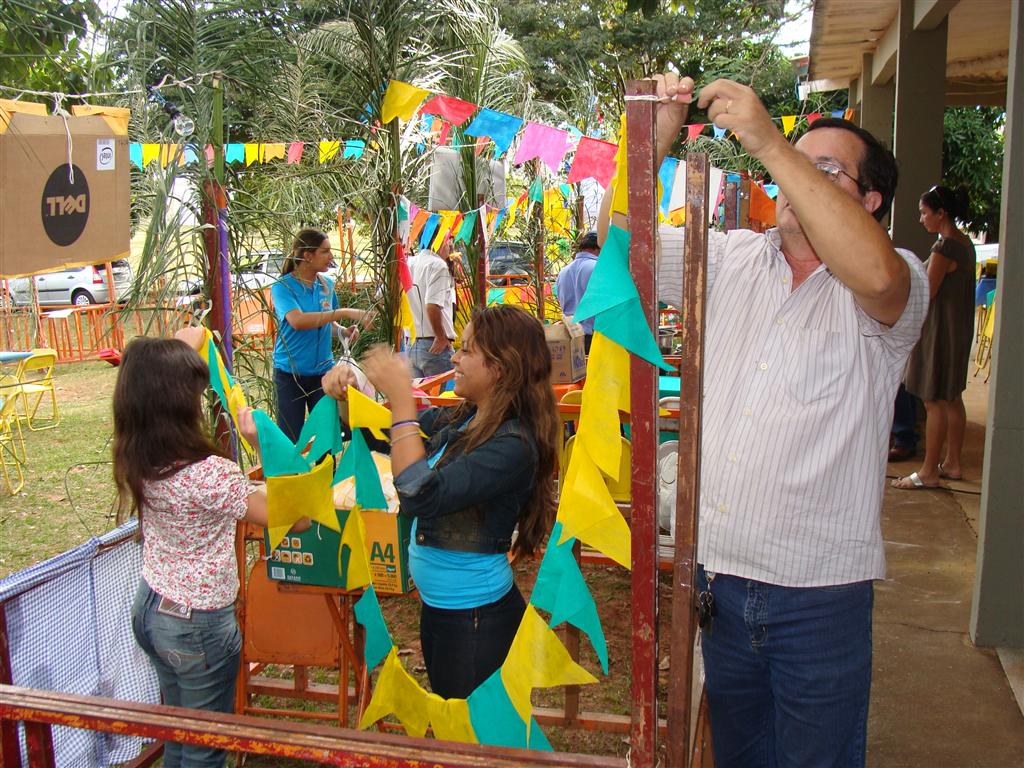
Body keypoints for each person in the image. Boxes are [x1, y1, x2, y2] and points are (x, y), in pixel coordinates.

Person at [602, 74, 929, 767]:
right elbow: (617, 253)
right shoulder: (730, 257)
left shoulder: (894, 278)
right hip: (719, 584)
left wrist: (775, 143)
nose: (794, 179)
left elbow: (874, 276)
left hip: (819, 603)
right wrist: (655, 135)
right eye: (793, 166)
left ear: (870, 201)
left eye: (825, 169)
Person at [321, 304, 560, 698]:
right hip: (445, 613)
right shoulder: (467, 417)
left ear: (500, 367)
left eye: (466, 350)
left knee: (473, 741)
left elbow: (419, 492)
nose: (454, 357)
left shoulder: (513, 446)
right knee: (457, 727)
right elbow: (386, 438)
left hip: (476, 622)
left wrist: (401, 399)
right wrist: (350, 395)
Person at [113, 328, 305, 768]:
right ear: (178, 403)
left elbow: (159, 359)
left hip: (153, 608)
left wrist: (192, 343)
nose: (202, 402)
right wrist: (262, 442)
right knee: (205, 747)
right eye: (196, 394)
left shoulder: (137, 450)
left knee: (181, 733)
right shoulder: (209, 475)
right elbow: (298, 515)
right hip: (196, 625)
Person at [892, 185, 977, 489]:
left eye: (924, 212)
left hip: (940, 333)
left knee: (934, 401)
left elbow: (926, 293)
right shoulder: (965, 244)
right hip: (957, 331)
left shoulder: (944, 249)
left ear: (941, 214)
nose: (920, 219)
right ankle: (951, 463)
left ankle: (929, 470)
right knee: (952, 398)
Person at [271, 228, 372, 441]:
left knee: (328, 439)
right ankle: (294, 475)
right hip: (290, 375)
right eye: (325, 251)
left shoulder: (327, 285)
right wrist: (345, 312)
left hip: (323, 374)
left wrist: (342, 331)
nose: (331, 256)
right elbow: (297, 321)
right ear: (307, 256)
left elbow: (327, 321)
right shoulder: (283, 287)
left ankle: (328, 474)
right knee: (291, 439)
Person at [407, 236, 457, 378]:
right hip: (434, 345)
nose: (450, 245)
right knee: (445, 397)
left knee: (422, 398)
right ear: (439, 240)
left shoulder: (408, 262)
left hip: (412, 343)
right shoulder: (438, 265)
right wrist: (441, 336)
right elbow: (432, 305)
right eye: (448, 240)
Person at [555, 230, 601, 352]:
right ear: (600, 247)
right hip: (594, 339)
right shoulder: (599, 268)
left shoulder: (563, 272)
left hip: (571, 336)